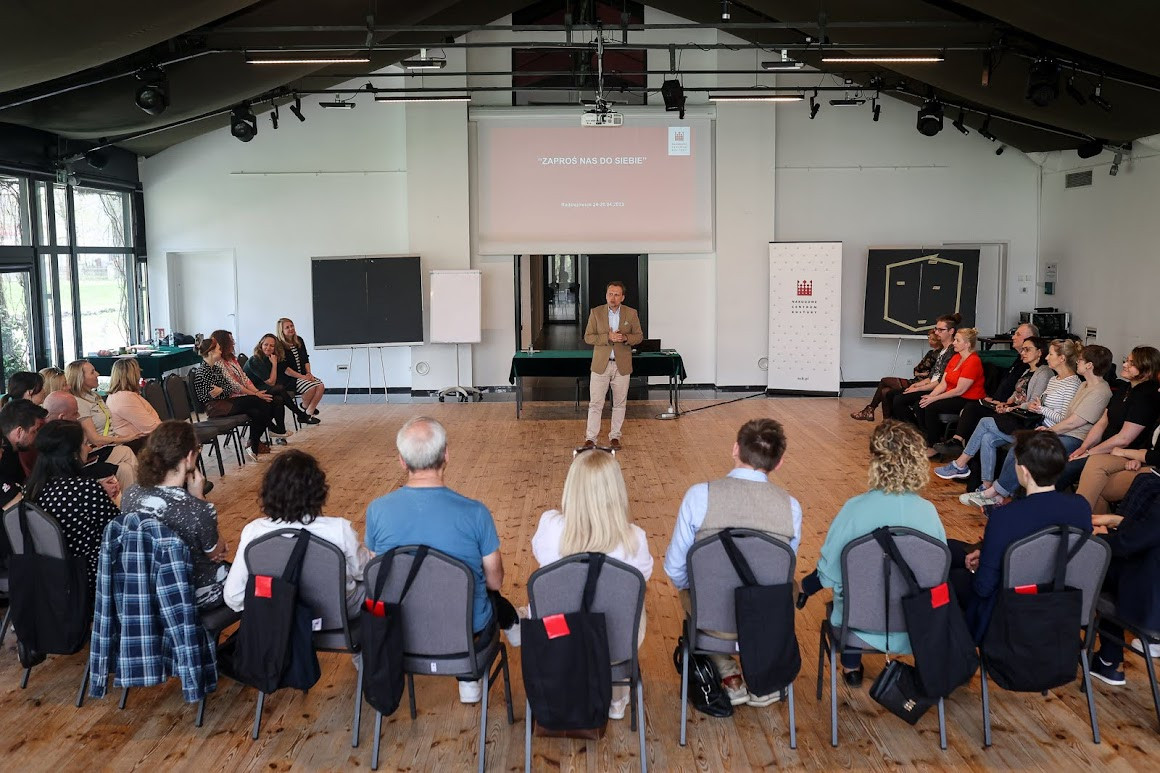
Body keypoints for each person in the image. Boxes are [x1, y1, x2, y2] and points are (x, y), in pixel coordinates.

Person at [365, 416, 518, 705]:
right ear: (446, 455)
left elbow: (376, 576)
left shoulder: (377, 511)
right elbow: (495, 581)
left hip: (399, 630)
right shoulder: (476, 513)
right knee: (484, 593)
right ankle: (468, 676)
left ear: (401, 461)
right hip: (466, 632)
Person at [663, 418, 803, 707]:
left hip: (711, 622)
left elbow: (675, 567)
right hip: (765, 622)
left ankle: (728, 671)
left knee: (696, 590)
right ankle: (764, 681)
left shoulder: (699, 496)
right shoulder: (791, 507)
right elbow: (780, 574)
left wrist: (701, 588)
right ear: (779, 463)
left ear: (735, 449)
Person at [802, 421, 946, 686]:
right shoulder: (928, 512)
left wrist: (805, 587)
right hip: (916, 624)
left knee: (852, 593)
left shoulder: (854, 509)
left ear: (876, 462)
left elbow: (830, 575)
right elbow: (937, 572)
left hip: (860, 625)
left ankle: (851, 668)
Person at [531, 448, 654, 720]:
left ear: (571, 488)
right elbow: (642, 580)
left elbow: (540, 556)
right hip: (616, 642)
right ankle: (616, 696)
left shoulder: (550, 526)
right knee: (633, 599)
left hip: (560, 635)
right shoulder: (635, 539)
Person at [949, 431, 1092, 642]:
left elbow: (984, 587)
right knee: (953, 549)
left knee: (949, 572)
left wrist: (984, 563)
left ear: (1024, 471)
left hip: (1009, 607)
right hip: (1059, 600)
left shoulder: (1006, 516)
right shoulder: (1081, 507)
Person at [224, 450, 366, 613]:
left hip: (279, 618)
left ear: (269, 491)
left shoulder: (253, 532)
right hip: (336, 616)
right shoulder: (339, 529)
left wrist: (275, 605)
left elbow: (233, 596)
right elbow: (362, 572)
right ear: (319, 491)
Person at [937, 337, 1078, 485]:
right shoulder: (1054, 379)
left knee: (984, 421)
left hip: (1036, 425)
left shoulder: (1063, 381)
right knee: (987, 437)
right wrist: (1008, 404)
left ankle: (960, 464)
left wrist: (1033, 408)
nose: (1047, 357)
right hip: (1031, 420)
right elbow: (1031, 400)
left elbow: (1060, 417)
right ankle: (986, 485)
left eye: (1050, 354)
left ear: (1062, 358)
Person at [122, 421, 228, 610]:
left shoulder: (130, 494)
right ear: (188, 457)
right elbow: (217, 553)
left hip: (148, 591)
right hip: (193, 592)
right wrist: (199, 497)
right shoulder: (196, 508)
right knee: (257, 580)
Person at [25, 420, 121, 592]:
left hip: (52, 576)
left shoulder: (31, 488)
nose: (88, 448)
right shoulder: (85, 489)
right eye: (84, 444)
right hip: (93, 572)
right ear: (72, 453)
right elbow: (117, 529)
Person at [1056, 345, 1160, 493]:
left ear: (1147, 370)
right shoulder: (1125, 388)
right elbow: (1102, 422)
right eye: (1126, 360)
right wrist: (1084, 447)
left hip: (1125, 453)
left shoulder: (1147, 395)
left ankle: (1046, 502)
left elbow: (1124, 439)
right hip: (1104, 447)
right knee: (1060, 461)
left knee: (1065, 468)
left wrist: (1089, 453)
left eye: (1131, 363)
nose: (1125, 364)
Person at [933, 325, 1044, 456]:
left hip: (1014, 413)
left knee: (973, 411)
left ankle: (960, 451)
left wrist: (1007, 406)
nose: (1013, 337)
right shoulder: (1021, 364)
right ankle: (960, 451)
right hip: (1002, 404)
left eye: (1018, 335)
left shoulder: (1040, 371)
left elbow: (1030, 400)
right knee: (971, 409)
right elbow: (1013, 390)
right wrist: (997, 400)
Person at [1088, 476, 1160, 677]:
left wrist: (1102, 539)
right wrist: (1117, 521)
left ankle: (1109, 661)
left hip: (1151, 599)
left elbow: (1133, 542)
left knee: (1098, 563)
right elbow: (1151, 531)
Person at [582, 281, 644, 450]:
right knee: (595, 404)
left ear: (622, 297)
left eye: (616, 295)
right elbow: (588, 337)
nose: (613, 298)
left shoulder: (631, 313)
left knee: (619, 403)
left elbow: (639, 336)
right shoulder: (596, 312)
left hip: (621, 365)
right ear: (606, 295)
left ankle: (615, 436)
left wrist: (625, 338)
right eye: (610, 294)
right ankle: (591, 438)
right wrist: (607, 337)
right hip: (600, 365)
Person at [191, 337, 273, 460]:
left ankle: (253, 446)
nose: (221, 351)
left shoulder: (216, 368)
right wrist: (222, 390)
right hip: (216, 407)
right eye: (218, 349)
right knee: (257, 400)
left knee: (256, 412)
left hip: (225, 402)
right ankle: (270, 428)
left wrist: (221, 390)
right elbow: (205, 397)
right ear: (211, 352)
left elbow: (228, 388)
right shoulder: (202, 372)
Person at [42, 389, 133, 500]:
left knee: (125, 467)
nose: (78, 415)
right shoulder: (53, 438)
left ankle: (133, 503)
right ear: (62, 417)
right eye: (75, 413)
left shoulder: (63, 431)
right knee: (125, 459)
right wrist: (97, 487)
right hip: (75, 479)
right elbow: (71, 469)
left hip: (79, 472)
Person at [914, 327, 985, 455]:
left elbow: (959, 390)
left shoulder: (973, 361)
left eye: (957, 340)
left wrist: (934, 399)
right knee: (920, 404)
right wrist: (930, 396)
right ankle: (928, 438)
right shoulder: (956, 357)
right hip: (953, 395)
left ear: (967, 344)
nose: (954, 343)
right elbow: (943, 383)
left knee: (930, 407)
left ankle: (934, 446)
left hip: (968, 399)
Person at [209, 330, 288, 439]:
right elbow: (234, 384)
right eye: (231, 341)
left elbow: (244, 378)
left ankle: (257, 441)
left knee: (275, 400)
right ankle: (274, 430)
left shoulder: (232, 358)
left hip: (241, 395)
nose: (234, 343)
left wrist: (256, 392)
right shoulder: (217, 362)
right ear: (223, 343)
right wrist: (256, 394)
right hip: (226, 401)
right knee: (263, 402)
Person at [851, 329, 942, 422]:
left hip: (919, 383)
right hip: (917, 380)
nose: (929, 341)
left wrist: (920, 373)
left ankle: (871, 409)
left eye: (933, 339)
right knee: (885, 391)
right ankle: (887, 421)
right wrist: (920, 373)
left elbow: (930, 374)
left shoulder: (938, 355)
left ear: (939, 340)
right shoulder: (930, 352)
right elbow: (916, 370)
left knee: (884, 380)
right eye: (929, 338)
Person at [889, 313, 959, 428]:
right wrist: (916, 385)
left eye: (940, 330)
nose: (936, 332)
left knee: (899, 399)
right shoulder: (942, 350)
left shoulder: (952, 352)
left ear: (951, 331)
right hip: (932, 385)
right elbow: (931, 376)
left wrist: (917, 388)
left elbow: (940, 381)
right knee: (891, 394)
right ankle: (896, 428)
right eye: (936, 329)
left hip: (938, 389)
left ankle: (914, 430)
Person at [65, 359, 146, 455]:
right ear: (80, 378)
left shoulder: (95, 396)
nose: (97, 374)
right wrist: (125, 439)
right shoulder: (79, 402)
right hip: (98, 449)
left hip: (110, 444)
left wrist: (127, 437)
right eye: (92, 372)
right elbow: (94, 439)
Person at [244, 333, 313, 426]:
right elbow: (271, 382)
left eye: (272, 346)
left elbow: (274, 380)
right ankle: (300, 414)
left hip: (263, 388)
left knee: (279, 399)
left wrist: (274, 363)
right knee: (279, 388)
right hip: (252, 391)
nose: (268, 348)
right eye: (265, 345)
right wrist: (274, 364)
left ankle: (281, 430)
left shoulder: (270, 357)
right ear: (260, 345)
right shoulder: (255, 360)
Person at [0, 399, 47, 508]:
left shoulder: (13, 452)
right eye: (34, 431)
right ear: (19, 432)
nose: (37, 436)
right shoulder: (5, 461)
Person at [276, 317, 325, 421]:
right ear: (281, 331)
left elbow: (305, 359)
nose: (291, 329)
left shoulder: (299, 340)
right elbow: (286, 369)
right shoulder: (279, 345)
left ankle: (307, 411)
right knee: (311, 387)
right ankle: (308, 413)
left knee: (320, 386)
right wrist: (303, 377)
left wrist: (309, 373)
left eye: (292, 326)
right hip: (289, 379)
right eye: (287, 327)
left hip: (303, 375)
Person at [105, 358, 162, 437]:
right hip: (139, 441)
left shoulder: (117, 395)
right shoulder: (125, 398)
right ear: (134, 375)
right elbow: (151, 428)